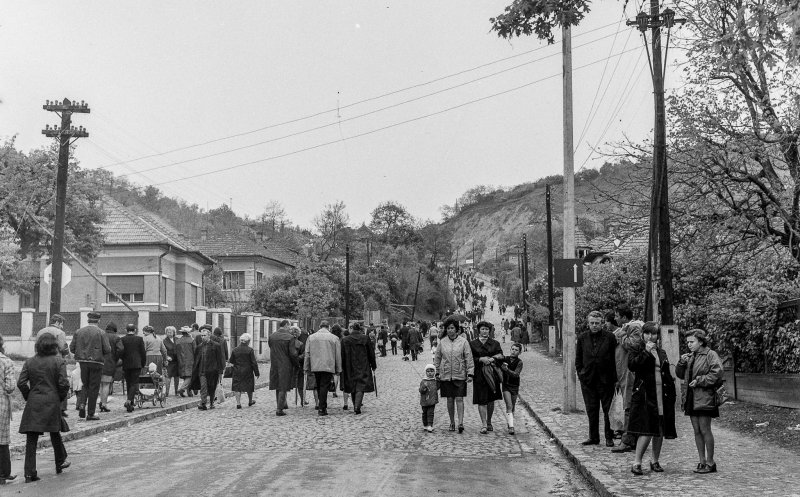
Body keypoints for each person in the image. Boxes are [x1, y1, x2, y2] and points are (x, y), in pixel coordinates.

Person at [18, 334, 70, 482]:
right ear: (54, 346)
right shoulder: (58, 361)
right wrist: (59, 397)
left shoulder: (30, 362)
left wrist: (29, 396)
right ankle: (60, 461)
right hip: (52, 400)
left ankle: (29, 473)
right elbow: (64, 384)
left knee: (31, 439)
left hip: (34, 401)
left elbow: (21, 383)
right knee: (54, 432)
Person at [627, 322, 677, 475]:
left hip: (662, 394)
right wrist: (645, 353)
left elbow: (666, 373)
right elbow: (632, 366)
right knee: (646, 429)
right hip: (646, 394)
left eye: (654, 334)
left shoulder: (661, 352)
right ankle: (637, 462)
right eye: (647, 333)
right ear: (642, 335)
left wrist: (672, 393)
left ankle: (654, 460)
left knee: (659, 429)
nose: (650, 336)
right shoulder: (636, 350)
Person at [676, 328, 723, 474]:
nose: (689, 344)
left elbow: (717, 373)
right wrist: (681, 363)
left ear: (701, 341)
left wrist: (700, 381)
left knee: (705, 429)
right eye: (688, 342)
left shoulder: (710, 354)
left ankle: (710, 462)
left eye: (692, 341)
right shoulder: (691, 356)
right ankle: (702, 460)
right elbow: (679, 375)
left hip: (705, 397)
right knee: (696, 430)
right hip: (691, 397)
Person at [575, 310, 618, 447]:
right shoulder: (582, 338)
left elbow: (614, 359)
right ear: (588, 323)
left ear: (602, 324)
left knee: (607, 410)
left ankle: (609, 437)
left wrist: (614, 378)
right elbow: (578, 359)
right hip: (588, 380)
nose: (594, 325)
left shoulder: (610, 337)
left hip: (606, 380)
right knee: (591, 410)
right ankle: (593, 437)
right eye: (592, 323)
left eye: (597, 323)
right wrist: (581, 374)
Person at [434, 317, 474, 434]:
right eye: (448, 328)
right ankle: (452, 422)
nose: (450, 330)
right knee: (450, 399)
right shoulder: (442, 342)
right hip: (445, 375)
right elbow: (437, 358)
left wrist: (470, 373)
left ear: (457, 329)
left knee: (459, 399)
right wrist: (436, 371)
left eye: (452, 328)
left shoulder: (463, 342)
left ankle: (460, 422)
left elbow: (468, 358)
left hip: (460, 374)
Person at [69, 311, 110, 420]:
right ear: (99, 320)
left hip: (82, 362)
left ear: (88, 320)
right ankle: (91, 413)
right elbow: (107, 349)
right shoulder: (101, 332)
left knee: (85, 385)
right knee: (94, 387)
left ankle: (82, 404)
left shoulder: (79, 332)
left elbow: (72, 348)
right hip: (97, 363)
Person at [612, 307, 642, 453]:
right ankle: (631, 439)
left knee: (629, 408)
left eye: (617, 316)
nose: (615, 319)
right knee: (628, 406)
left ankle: (628, 440)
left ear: (624, 317)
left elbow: (634, 345)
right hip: (625, 374)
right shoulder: (626, 328)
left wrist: (621, 336)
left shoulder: (634, 327)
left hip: (631, 374)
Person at [469, 321, 504, 434]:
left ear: (490, 331)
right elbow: (468, 359)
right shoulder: (472, 344)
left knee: (490, 399)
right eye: (483, 329)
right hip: (479, 374)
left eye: (487, 329)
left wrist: (493, 358)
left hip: (492, 374)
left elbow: (501, 356)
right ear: (479, 330)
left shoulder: (495, 343)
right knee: (481, 399)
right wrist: (480, 359)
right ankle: (484, 424)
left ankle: (489, 421)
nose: (485, 331)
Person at [304, 320, 342, 416]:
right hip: (328, 365)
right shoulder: (334, 338)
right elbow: (338, 355)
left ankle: (322, 406)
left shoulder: (311, 337)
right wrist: (338, 369)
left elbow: (307, 354)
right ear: (328, 327)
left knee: (319, 384)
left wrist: (306, 367)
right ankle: (322, 408)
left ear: (320, 327)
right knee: (324, 386)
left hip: (315, 365)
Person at [340, 323, 377, 415]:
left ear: (352, 328)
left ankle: (356, 405)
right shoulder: (365, 338)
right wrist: (373, 365)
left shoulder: (345, 340)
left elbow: (342, 355)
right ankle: (357, 406)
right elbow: (371, 353)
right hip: (363, 364)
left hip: (349, 365)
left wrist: (341, 366)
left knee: (352, 385)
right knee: (361, 385)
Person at [268, 320, 299, 416]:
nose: (290, 328)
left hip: (274, 364)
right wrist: (297, 364)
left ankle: (281, 404)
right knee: (283, 386)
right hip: (285, 364)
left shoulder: (272, 336)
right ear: (286, 325)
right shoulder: (290, 337)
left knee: (278, 385)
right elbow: (293, 354)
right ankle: (279, 409)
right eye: (289, 326)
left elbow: (271, 347)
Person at [191, 328, 225, 410]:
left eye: (204, 335)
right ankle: (203, 403)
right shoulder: (199, 347)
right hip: (202, 371)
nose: (203, 337)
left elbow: (219, 359)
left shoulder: (216, 345)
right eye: (201, 335)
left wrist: (220, 371)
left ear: (209, 335)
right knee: (203, 387)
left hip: (213, 371)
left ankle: (212, 402)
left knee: (212, 387)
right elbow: (196, 360)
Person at [0, 336, 17, 484]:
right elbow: (10, 386)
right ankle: (3, 473)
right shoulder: (6, 362)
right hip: (1, 404)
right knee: (2, 439)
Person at [120, 323, 146, 413]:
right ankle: (129, 400)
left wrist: (122, 360)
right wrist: (143, 363)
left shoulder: (122, 339)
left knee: (128, 382)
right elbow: (143, 352)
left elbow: (121, 351)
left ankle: (130, 402)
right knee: (134, 383)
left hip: (126, 364)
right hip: (136, 364)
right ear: (135, 330)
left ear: (126, 330)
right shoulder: (139, 339)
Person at [229, 333, 260, 409]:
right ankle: (250, 401)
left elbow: (231, 361)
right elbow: (254, 363)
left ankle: (238, 403)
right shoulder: (250, 350)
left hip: (237, 370)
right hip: (248, 371)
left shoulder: (235, 350)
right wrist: (256, 373)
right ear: (248, 341)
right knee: (249, 386)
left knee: (237, 386)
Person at [99, 322, 124, 413]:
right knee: (106, 384)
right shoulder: (116, 338)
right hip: (110, 362)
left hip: (99, 362)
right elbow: (120, 349)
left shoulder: (101, 335)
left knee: (101, 384)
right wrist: (116, 358)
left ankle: (101, 401)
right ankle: (104, 404)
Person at [500, 342, 524, 435]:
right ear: (510, 350)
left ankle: (510, 421)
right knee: (509, 404)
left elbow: (516, 374)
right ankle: (511, 427)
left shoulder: (519, 362)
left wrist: (507, 370)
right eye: (512, 349)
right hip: (506, 385)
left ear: (519, 352)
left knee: (512, 406)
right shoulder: (505, 359)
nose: (514, 351)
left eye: (516, 350)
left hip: (514, 386)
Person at [175, 326, 196, 397]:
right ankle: (182, 389)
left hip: (180, 360)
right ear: (188, 332)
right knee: (190, 376)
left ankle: (189, 392)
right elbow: (195, 351)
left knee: (185, 376)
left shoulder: (178, 341)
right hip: (190, 360)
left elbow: (176, 352)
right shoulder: (192, 340)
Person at [419, 364, 439, 432]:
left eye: (432, 371)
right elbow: (421, 391)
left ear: (434, 372)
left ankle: (430, 425)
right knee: (424, 413)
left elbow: (438, 387)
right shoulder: (423, 381)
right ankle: (425, 425)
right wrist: (424, 387)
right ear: (425, 372)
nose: (430, 373)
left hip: (432, 400)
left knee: (430, 413)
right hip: (424, 401)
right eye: (428, 371)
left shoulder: (435, 381)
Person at [162, 326, 180, 397]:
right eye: (168, 332)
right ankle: (167, 392)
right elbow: (163, 350)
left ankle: (176, 392)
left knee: (177, 377)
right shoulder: (164, 341)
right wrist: (166, 357)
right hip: (169, 361)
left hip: (177, 360)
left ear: (174, 332)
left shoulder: (177, 339)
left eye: (171, 332)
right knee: (168, 376)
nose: (169, 333)